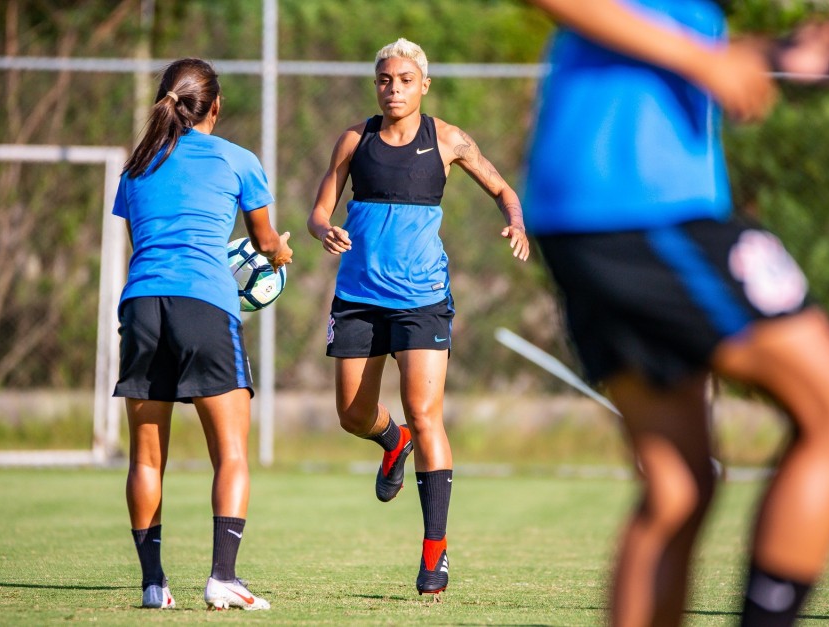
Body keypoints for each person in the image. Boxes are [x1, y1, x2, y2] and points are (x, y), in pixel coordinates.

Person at [521, 1, 829, 626]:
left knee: (678, 487)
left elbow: (672, 36)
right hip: (640, 204)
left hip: (598, 206)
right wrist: (704, 59)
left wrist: (779, 55)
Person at [306, 38, 529, 597]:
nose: (394, 88)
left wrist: (516, 223)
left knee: (427, 414)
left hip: (423, 298)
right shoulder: (355, 140)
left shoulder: (449, 139)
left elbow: (503, 189)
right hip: (358, 295)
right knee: (353, 414)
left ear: (423, 85)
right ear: (375, 84)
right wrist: (321, 228)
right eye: (385, 79)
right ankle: (392, 441)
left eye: (405, 80)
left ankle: (434, 556)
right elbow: (318, 209)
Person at [112, 57, 292, 611]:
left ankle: (152, 585)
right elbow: (264, 244)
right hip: (204, 307)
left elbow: (148, 238)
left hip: (141, 305)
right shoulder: (238, 160)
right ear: (216, 106)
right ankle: (223, 577)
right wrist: (281, 252)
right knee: (231, 453)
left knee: (146, 459)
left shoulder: (136, 165)